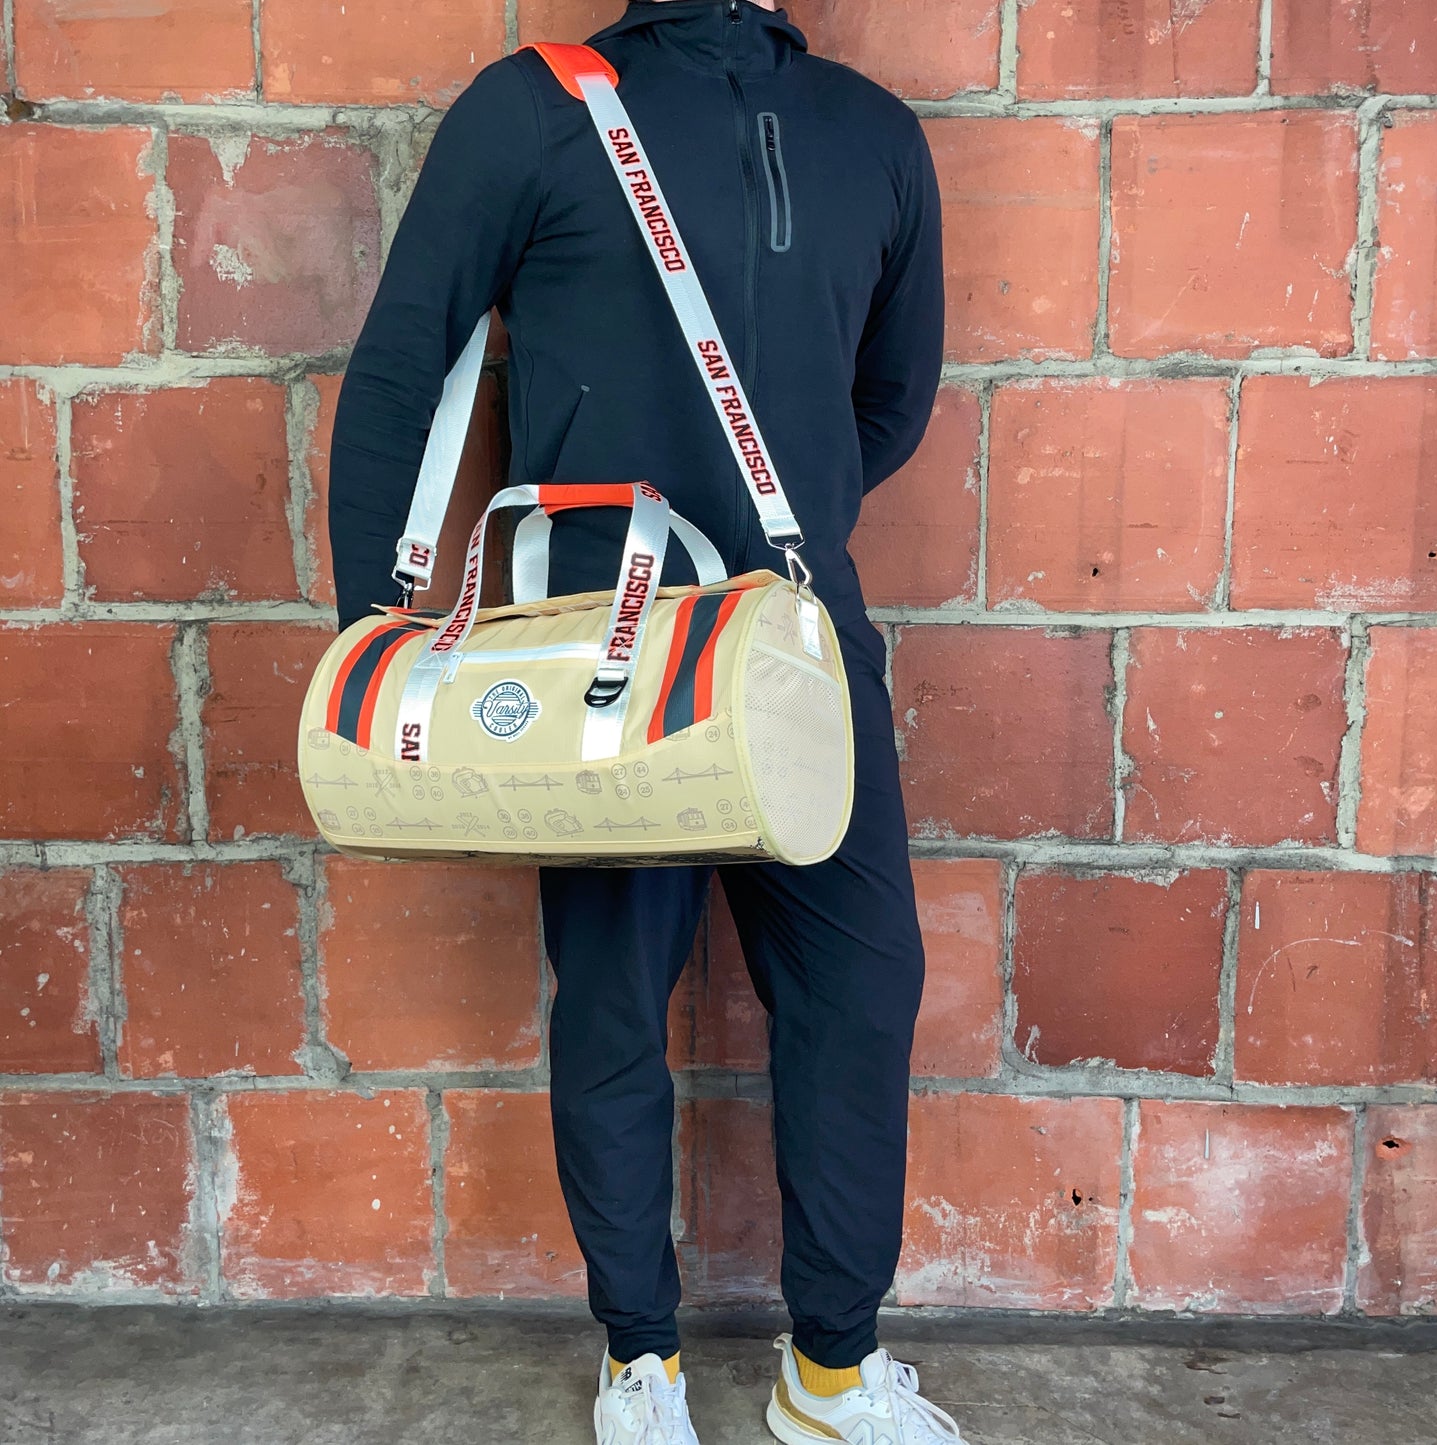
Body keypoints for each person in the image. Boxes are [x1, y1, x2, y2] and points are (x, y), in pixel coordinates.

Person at [328, 2, 953, 1441]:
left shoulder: (874, 134)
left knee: (860, 996)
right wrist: (379, 630)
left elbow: (889, 399)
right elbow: (398, 363)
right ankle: (640, 1361)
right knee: (615, 1003)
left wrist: (765, 519)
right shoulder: (535, 107)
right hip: (600, 657)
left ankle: (835, 1371)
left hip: (796, 645)